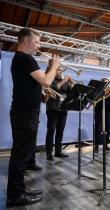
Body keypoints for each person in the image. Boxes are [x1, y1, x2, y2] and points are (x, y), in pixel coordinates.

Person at [7, 28, 60, 207]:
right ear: (27, 41)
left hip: (25, 112)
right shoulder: (25, 58)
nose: (39, 46)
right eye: (37, 42)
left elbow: (40, 82)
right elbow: (46, 81)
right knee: (20, 156)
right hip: (25, 113)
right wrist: (55, 66)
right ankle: (15, 196)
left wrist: (49, 69)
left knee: (22, 153)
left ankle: (19, 189)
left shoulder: (22, 59)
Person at [45, 67, 74, 161]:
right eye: (58, 70)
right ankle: (49, 153)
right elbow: (54, 87)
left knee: (60, 131)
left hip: (63, 109)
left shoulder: (65, 81)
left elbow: (71, 94)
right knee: (51, 131)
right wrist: (64, 80)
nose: (60, 72)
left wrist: (72, 84)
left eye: (61, 70)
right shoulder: (49, 79)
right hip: (53, 109)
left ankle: (58, 151)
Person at [94, 78, 110, 152]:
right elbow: (96, 98)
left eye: (107, 83)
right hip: (99, 109)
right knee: (98, 127)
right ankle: (96, 145)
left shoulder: (109, 90)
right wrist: (103, 93)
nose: (106, 84)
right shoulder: (98, 90)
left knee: (107, 127)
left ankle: (106, 144)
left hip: (108, 110)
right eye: (105, 83)